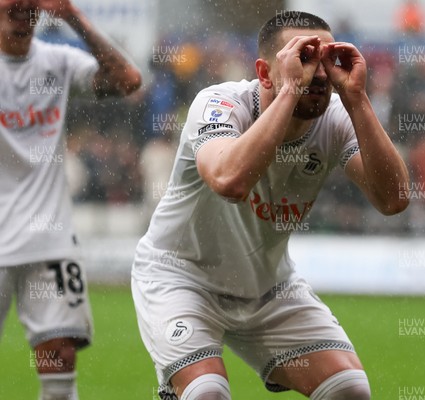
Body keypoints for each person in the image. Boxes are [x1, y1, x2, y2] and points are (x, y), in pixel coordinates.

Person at [132, 11, 409, 400]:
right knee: (207, 393)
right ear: (265, 72)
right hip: (180, 278)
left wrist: (357, 99)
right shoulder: (219, 104)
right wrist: (290, 91)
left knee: (349, 391)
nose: (318, 72)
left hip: (268, 287)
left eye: (326, 59)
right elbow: (230, 181)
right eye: (304, 57)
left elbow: (394, 199)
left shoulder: (336, 118)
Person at [0, 0, 141, 399]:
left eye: (31, 2)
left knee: (60, 359)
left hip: (50, 240)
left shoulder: (57, 62)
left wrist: (73, 18)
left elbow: (128, 80)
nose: (22, 6)